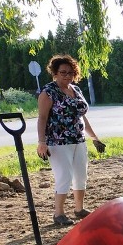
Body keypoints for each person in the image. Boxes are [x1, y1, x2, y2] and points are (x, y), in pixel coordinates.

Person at [36, 54, 105, 226]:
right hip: (57, 142)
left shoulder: (76, 90)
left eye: (70, 72)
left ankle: (79, 209)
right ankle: (58, 213)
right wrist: (41, 142)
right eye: (63, 72)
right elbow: (42, 118)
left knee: (81, 175)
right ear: (55, 73)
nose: (67, 76)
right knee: (64, 176)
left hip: (78, 140)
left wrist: (94, 138)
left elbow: (82, 117)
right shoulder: (48, 92)